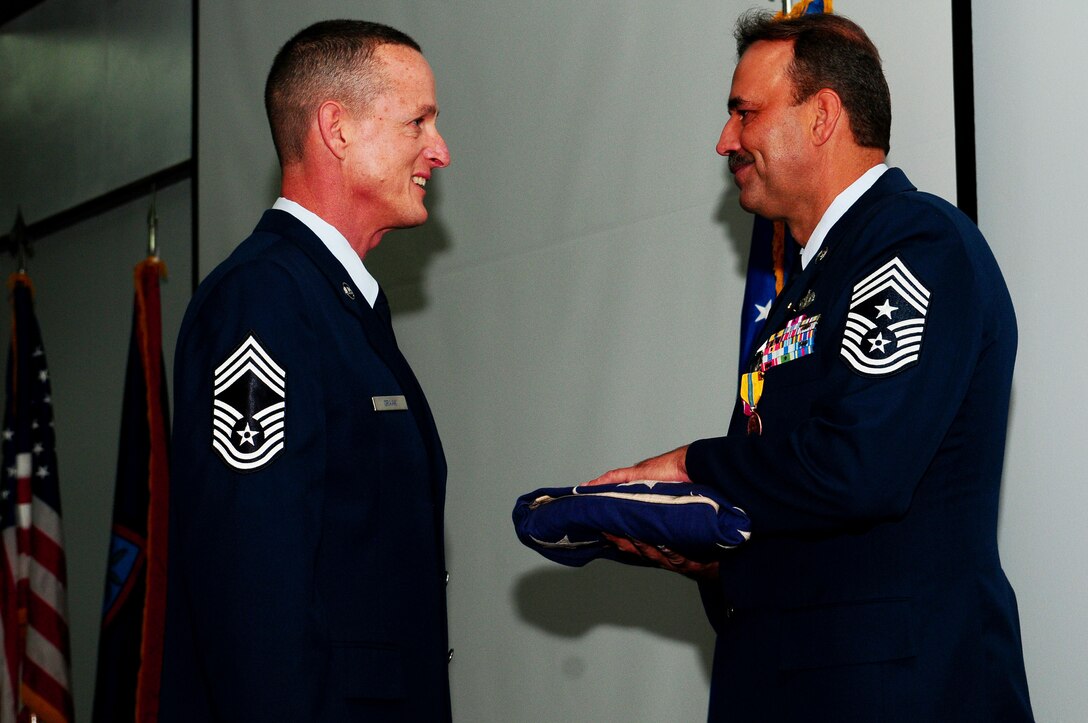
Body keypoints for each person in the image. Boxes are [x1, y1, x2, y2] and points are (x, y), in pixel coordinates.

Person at [587, 11, 1034, 722]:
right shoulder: (812, 280)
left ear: (822, 116)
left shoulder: (914, 243)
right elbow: (806, 504)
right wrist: (712, 554)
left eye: (745, 112)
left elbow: (859, 467)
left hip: (894, 694)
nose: (725, 140)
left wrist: (692, 468)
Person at [159, 20, 452, 721]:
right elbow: (253, 591)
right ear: (336, 128)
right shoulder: (262, 301)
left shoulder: (335, 302)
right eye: (418, 122)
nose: (439, 150)